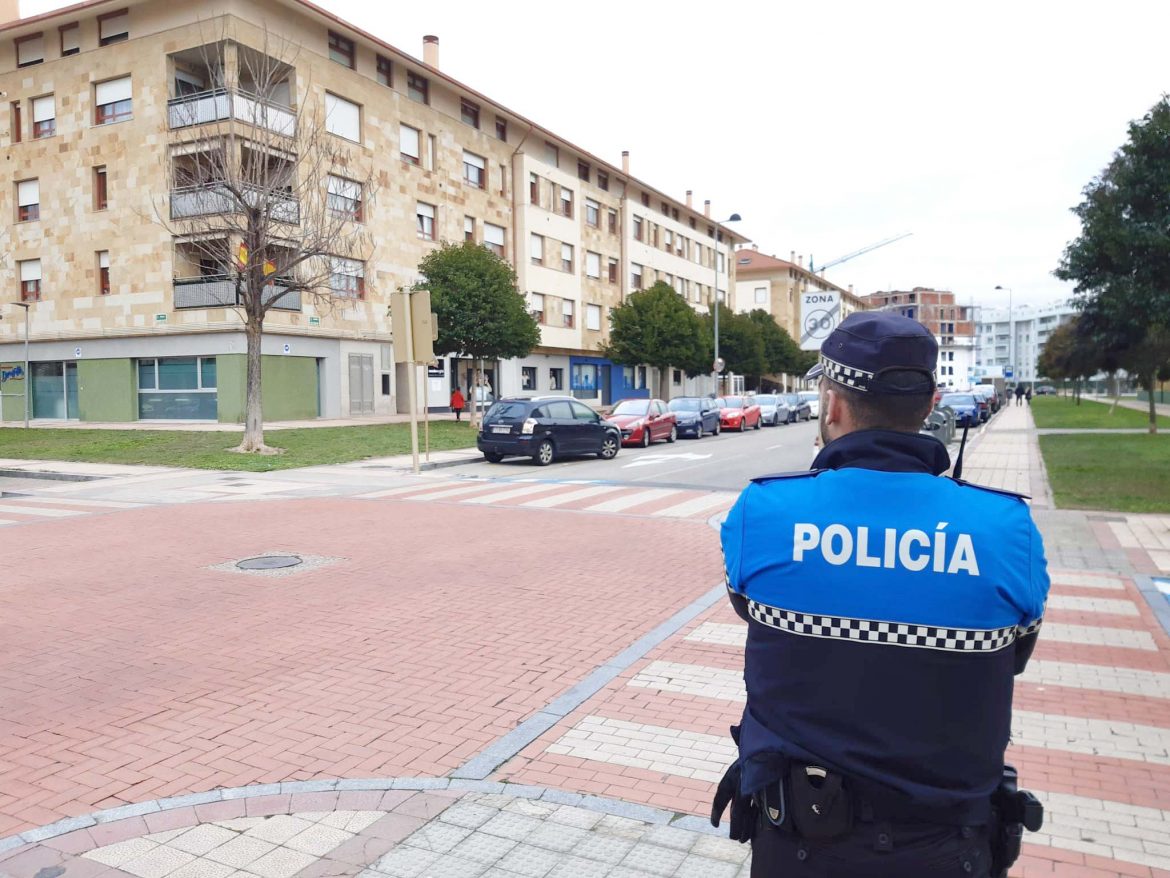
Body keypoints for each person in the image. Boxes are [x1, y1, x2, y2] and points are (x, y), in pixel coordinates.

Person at [711, 312, 1049, 877]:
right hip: (949, 848)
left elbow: (751, 612)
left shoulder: (764, 512)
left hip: (799, 843)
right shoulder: (1005, 528)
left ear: (833, 405)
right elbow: (1015, 654)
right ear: (930, 403)